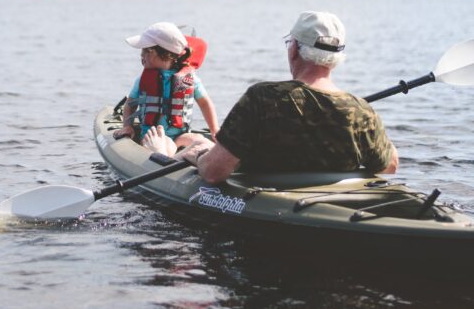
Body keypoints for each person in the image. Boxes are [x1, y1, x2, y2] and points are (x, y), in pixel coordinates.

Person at [160, 11, 398, 184]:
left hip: (267, 208)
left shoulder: (262, 98)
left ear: (294, 49)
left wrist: (200, 153)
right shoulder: (362, 110)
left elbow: (214, 172)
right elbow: (390, 165)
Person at [115, 22, 219, 155]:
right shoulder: (142, 80)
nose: (141, 55)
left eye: (146, 51)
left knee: (198, 139)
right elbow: (129, 105)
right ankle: (172, 159)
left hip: (180, 136)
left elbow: (205, 103)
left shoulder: (189, 79)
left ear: (162, 54)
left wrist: (214, 129)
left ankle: (209, 157)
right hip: (152, 136)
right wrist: (127, 126)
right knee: (167, 145)